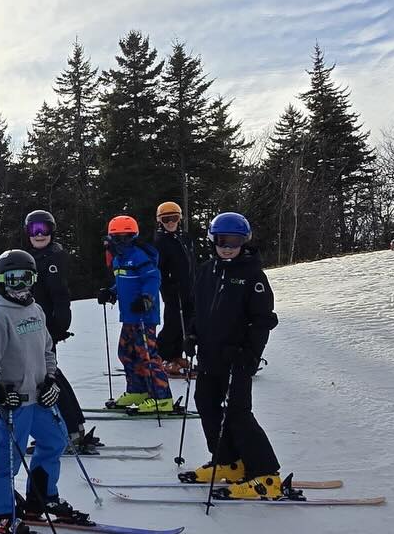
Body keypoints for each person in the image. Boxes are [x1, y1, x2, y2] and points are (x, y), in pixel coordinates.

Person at [0, 249, 87, 534]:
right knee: (8, 459)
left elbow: (47, 350)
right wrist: (1, 393)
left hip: (40, 398)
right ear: (1, 281)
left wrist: (51, 380)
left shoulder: (36, 310)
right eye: (12, 279)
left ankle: (42, 497)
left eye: (25, 278)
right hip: (17, 402)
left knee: (54, 441)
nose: (20, 285)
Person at [181, 211, 285, 498]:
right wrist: (191, 334)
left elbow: (263, 320)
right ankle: (229, 461)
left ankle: (266, 475)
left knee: (238, 413)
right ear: (213, 240)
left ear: (244, 242)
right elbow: (198, 309)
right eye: (222, 241)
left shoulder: (253, 275)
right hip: (209, 355)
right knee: (206, 404)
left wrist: (249, 354)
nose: (228, 247)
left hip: (236, 358)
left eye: (235, 242)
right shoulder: (206, 271)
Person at [21, 209, 99, 451]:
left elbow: (60, 295)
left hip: (46, 328)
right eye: (34, 230)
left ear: (52, 231)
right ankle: (73, 427)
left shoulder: (52, 258)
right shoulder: (35, 256)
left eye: (43, 229)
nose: (39, 234)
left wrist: (59, 326)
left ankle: (69, 430)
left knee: (49, 378)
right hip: (35, 326)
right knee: (52, 375)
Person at [97, 216, 174, 412]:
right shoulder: (118, 259)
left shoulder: (139, 256)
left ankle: (162, 397)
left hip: (144, 316)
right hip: (129, 316)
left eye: (126, 237)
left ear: (134, 237)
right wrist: (111, 292)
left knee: (146, 355)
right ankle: (138, 390)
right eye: (117, 237)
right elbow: (123, 282)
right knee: (126, 353)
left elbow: (153, 278)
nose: (121, 241)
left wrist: (147, 298)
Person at [153, 202, 195, 375]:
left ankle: (176, 355)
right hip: (172, 289)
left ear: (180, 219)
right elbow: (158, 268)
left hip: (188, 286)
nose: (170, 222)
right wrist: (167, 284)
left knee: (186, 322)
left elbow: (191, 261)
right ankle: (162, 357)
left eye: (174, 218)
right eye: (166, 219)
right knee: (173, 322)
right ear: (160, 221)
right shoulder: (160, 241)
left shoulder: (184, 237)